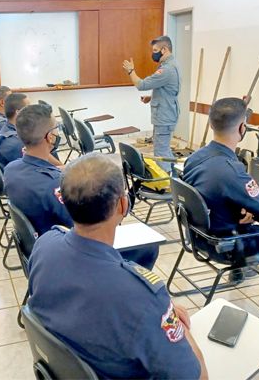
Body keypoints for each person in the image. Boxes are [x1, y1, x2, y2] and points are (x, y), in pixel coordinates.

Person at [28, 153, 208, 379]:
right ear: (123, 204)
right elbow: (195, 375)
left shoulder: (44, 245)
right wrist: (170, 316)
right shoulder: (143, 297)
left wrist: (160, 310)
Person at [4, 104, 159, 269]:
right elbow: (87, 225)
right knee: (148, 247)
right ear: (50, 137)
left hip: (42, 248)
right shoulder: (55, 185)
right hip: (69, 256)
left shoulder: (11, 169)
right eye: (56, 128)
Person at [181, 97, 259, 307]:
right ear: (243, 128)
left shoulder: (195, 158)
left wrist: (241, 210)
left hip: (198, 236)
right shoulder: (232, 171)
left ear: (210, 124)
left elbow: (209, 193)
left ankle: (239, 271)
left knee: (249, 215)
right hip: (223, 246)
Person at [122, 35, 181, 172]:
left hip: (164, 116)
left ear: (164, 49)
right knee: (164, 148)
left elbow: (141, 84)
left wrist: (131, 71)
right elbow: (167, 89)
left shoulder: (166, 69)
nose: (153, 54)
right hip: (167, 112)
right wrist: (151, 97)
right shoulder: (172, 64)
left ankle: (166, 183)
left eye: (155, 50)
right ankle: (173, 177)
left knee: (160, 152)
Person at [0, 93, 62, 168]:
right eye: (28, 107)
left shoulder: (6, 129)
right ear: (19, 112)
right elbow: (53, 169)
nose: (32, 111)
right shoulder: (18, 144)